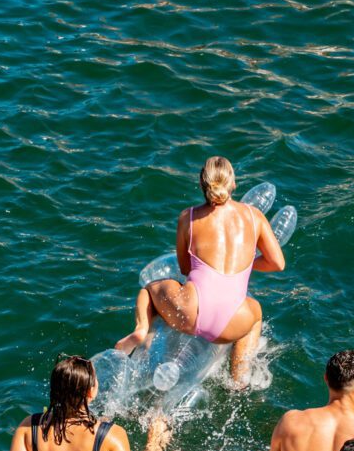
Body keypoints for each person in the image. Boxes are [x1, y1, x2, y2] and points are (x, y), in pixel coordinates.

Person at [115, 156, 285, 384]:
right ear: (233, 183)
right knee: (255, 314)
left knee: (150, 290)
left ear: (202, 184)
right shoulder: (256, 216)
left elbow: (185, 268)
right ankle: (238, 378)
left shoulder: (189, 217)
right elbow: (277, 263)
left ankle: (142, 330)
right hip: (231, 325)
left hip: (189, 314)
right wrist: (246, 264)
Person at [5, 355, 170, 451]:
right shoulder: (113, 436)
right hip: (100, 442)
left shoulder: (29, 428)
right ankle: (155, 442)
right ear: (91, 392)